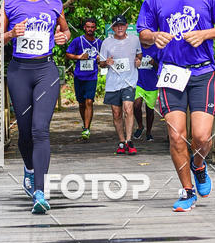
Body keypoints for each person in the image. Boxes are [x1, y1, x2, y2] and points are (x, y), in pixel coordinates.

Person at [137, 0, 215, 211]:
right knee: (176, 135)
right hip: (171, 73)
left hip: (202, 71)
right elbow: (142, 32)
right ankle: (186, 190)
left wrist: (204, 34)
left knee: (202, 137)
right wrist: (153, 36)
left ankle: (199, 164)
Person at [1, 0, 70, 214]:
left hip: (46, 70)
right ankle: (29, 169)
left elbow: (64, 30)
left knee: (41, 130)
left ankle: (40, 192)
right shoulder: (9, 3)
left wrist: (63, 37)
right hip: (19, 71)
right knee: (26, 132)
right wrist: (10, 33)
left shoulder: (54, 2)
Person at [100, 15, 142, 154]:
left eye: (122, 25)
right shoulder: (107, 42)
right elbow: (100, 63)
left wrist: (138, 61)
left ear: (126, 26)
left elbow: (139, 55)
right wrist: (106, 62)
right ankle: (122, 141)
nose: (120, 28)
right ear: (113, 27)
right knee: (116, 113)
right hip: (113, 82)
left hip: (129, 80)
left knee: (128, 108)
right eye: (117, 26)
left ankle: (129, 140)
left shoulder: (134, 40)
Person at [65, 17, 102, 139]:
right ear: (84, 28)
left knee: (89, 101)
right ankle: (85, 123)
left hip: (92, 77)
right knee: (81, 103)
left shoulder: (99, 43)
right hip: (79, 76)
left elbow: (104, 59)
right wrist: (78, 57)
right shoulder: (77, 41)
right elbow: (68, 54)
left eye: (92, 27)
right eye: (88, 27)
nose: (90, 29)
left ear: (95, 28)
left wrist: (99, 59)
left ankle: (86, 128)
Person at [133, 42, 159, 141]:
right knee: (136, 105)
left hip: (152, 84)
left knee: (150, 110)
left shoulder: (156, 48)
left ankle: (149, 132)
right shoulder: (136, 47)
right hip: (138, 82)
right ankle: (140, 126)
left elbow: (160, 66)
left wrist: (154, 63)